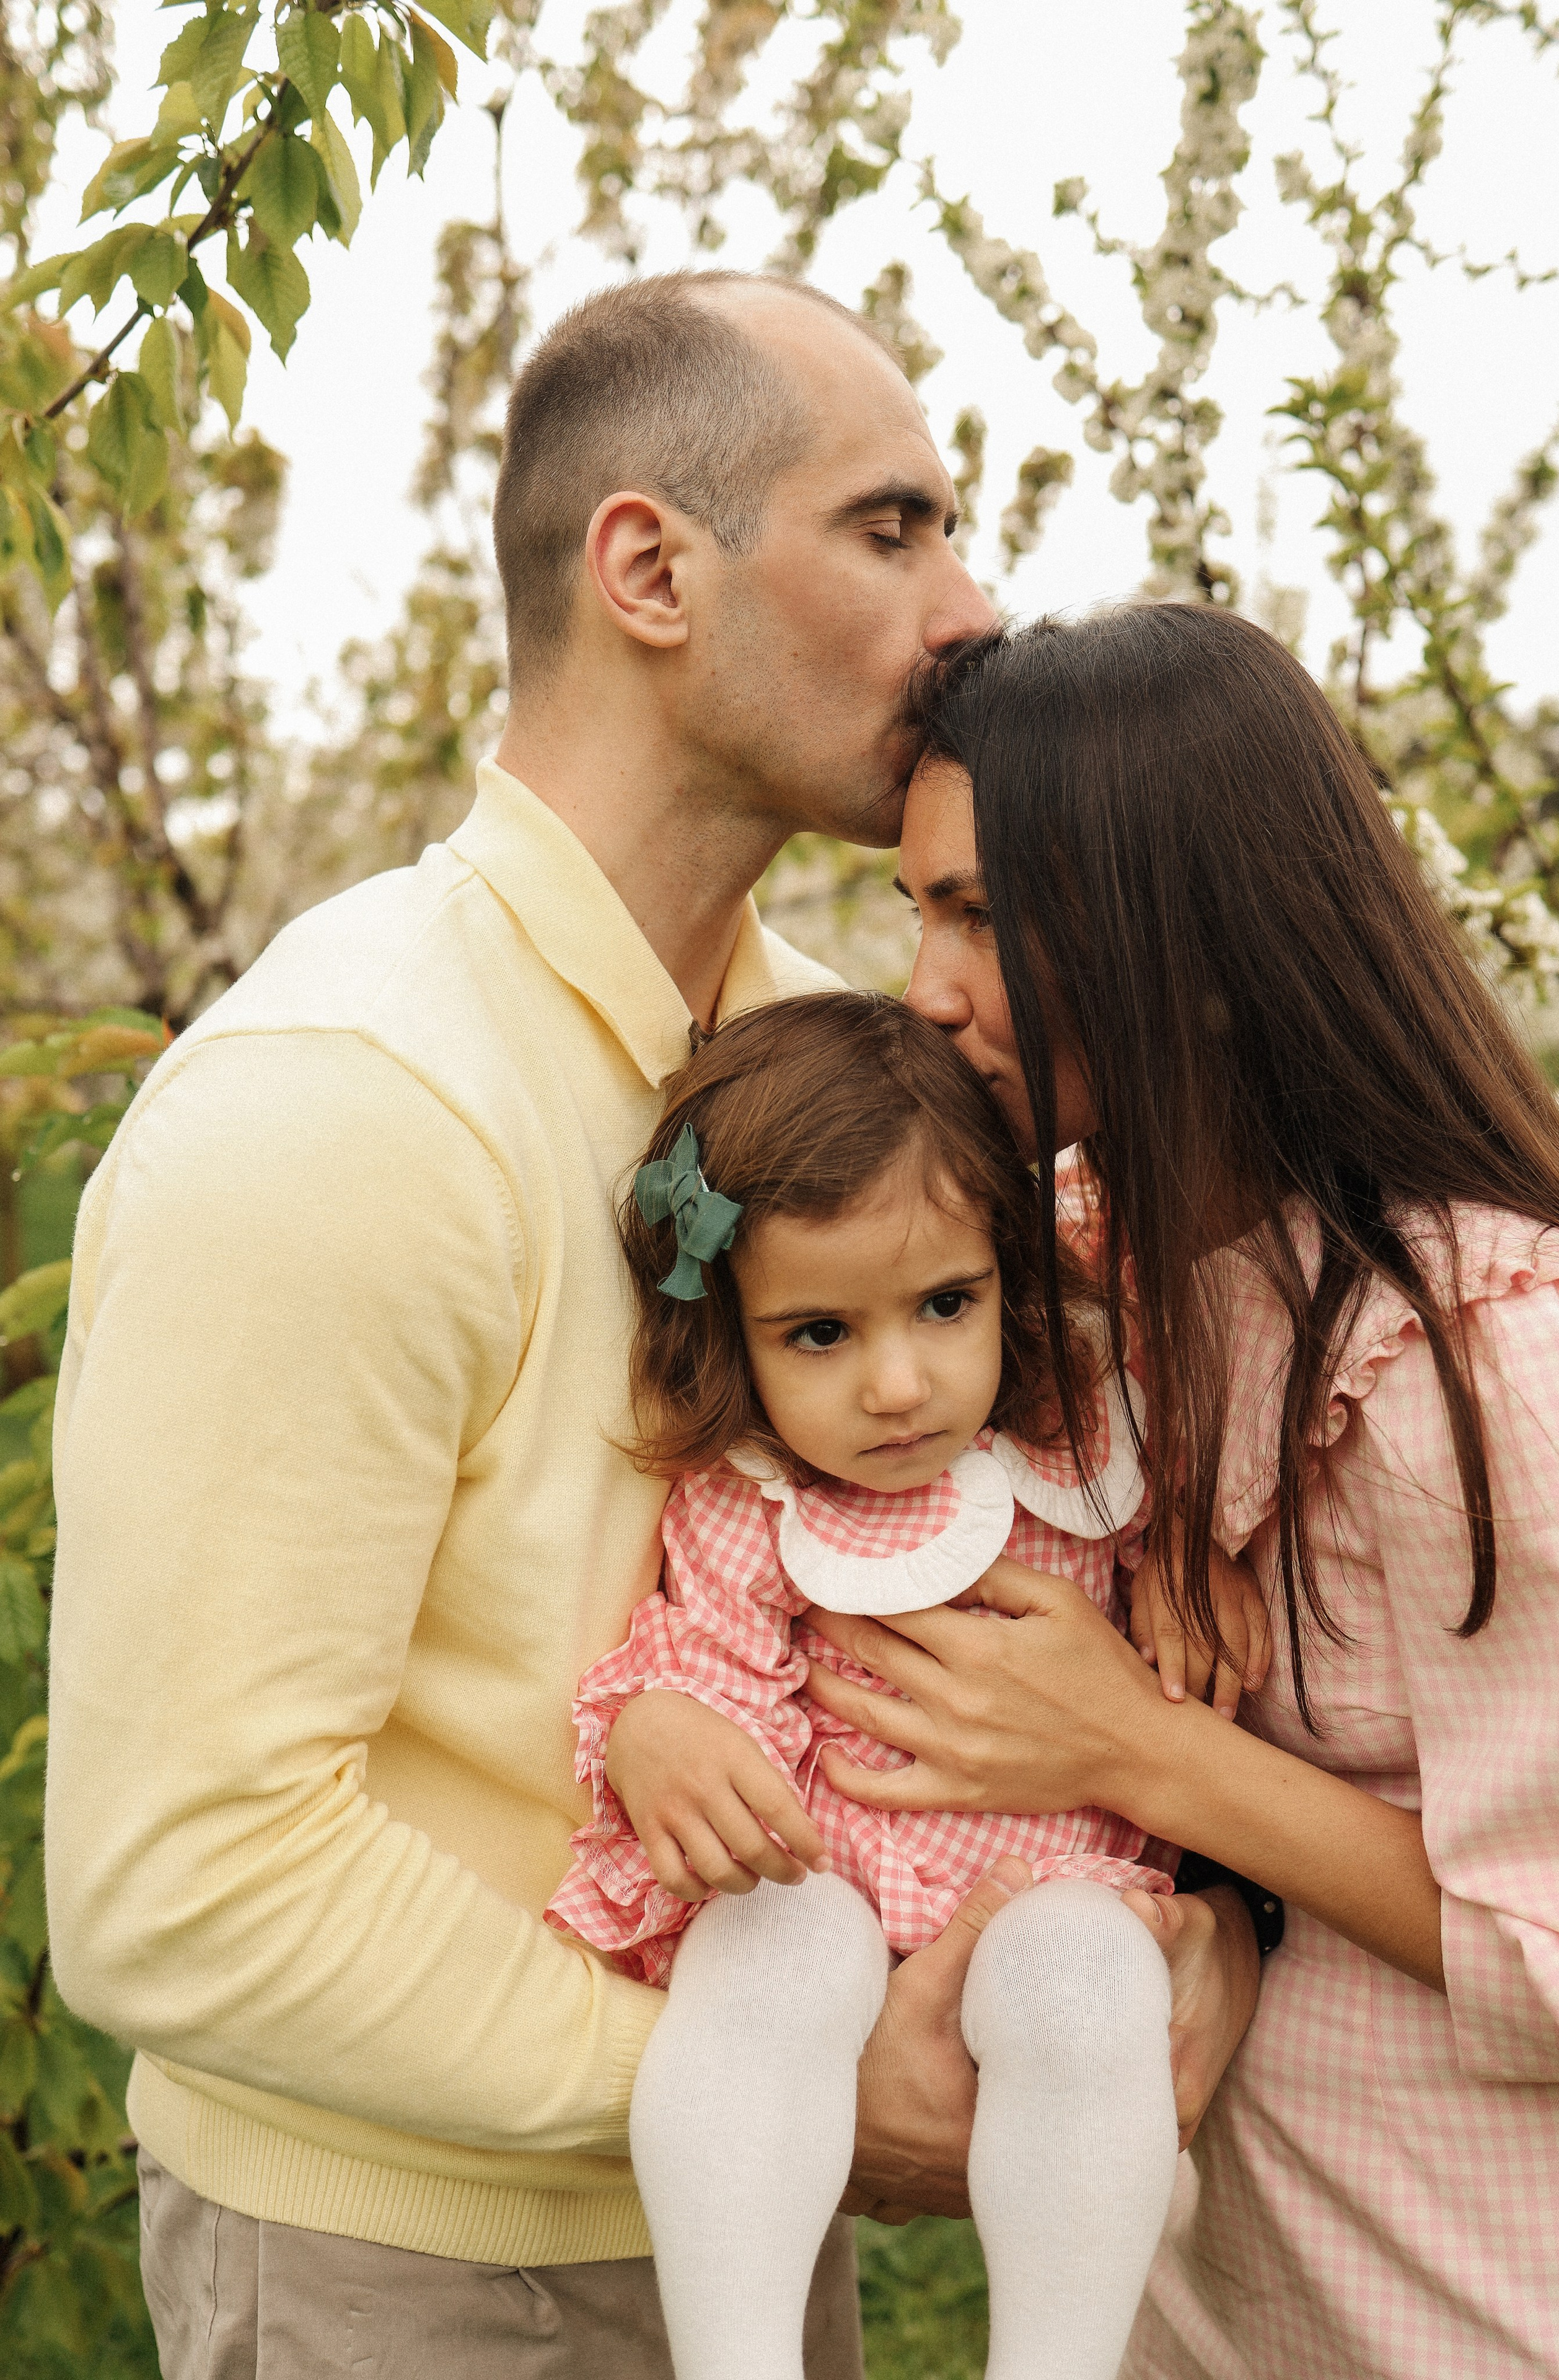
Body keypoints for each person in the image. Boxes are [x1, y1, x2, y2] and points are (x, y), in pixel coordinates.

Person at [43, 269, 1019, 2378]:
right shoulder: (347, 1104)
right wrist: (784, 2099)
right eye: (893, 527)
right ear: (650, 570)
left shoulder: (808, 1076)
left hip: (741, 2228)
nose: (969, 608)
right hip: (414, 2276)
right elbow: (183, 1884)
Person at [809, 604, 1559, 2378]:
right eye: (920, 909)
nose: (927, 988)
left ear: (1199, 936)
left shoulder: (1487, 1358)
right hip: (1227, 2315)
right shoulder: (1094, 1290)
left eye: (982, 916)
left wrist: (1140, 1752)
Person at [545, 992, 1269, 2380]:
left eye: (946, 1305)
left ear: (1007, 1270)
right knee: (763, 1950)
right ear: (736, 1338)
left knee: (1083, 1980)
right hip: (823, 1867)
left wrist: (1183, 1553)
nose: (897, 1384)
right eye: (818, 1333)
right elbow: (708, 1667)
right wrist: (657, 1731)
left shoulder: (1087, 1451)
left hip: (1039, 1885)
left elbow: (1176, 1540)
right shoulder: (751, 1503)